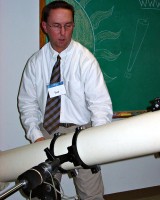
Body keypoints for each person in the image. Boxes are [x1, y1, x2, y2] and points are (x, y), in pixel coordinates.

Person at [18, 1, 113, 199]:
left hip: (82, 131)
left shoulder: (85, 60)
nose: (63, 33)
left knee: (91, 195)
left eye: (68, 26)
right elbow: (27, 104)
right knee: (42, 194)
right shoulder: (35, 63)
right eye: (56, 26)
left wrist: (97, 139)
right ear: (44, 26)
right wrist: (36, 137)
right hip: (47, 132)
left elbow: (100, 104)